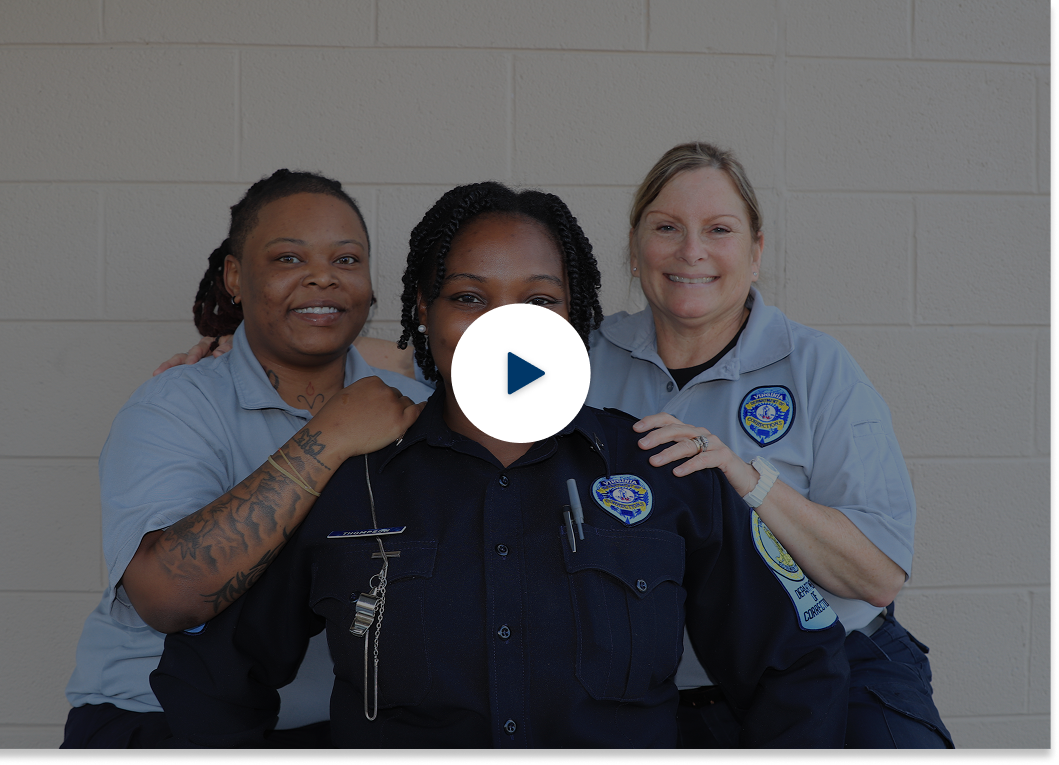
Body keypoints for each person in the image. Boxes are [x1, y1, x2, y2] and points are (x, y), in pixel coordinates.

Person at [149, 181, 849, 749]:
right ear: (423, 312)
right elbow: (210, 678)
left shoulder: (665, 468)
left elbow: (797, 669)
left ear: (577, 319)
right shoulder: (348, 479)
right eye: (469, 297)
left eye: (539, 300)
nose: (503, 327)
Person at [583, 142, 951, 749]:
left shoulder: (817, 367)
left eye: (718, 230)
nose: (691, 251)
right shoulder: (585, 360)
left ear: (755, 252)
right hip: (651, 690)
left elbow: (878, 576)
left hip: (835, 659)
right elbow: (469, 380)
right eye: (667, 227)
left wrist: (745, 478)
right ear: (634, 246)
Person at [62, 170, 431, 748]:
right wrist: (328, 436)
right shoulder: (176, 404)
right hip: (159, 719)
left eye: (347, 259)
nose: (322, 277)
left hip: (348, 724)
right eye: (288, 258)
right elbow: (166, 596)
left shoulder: (415, 408)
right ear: (235, 277)